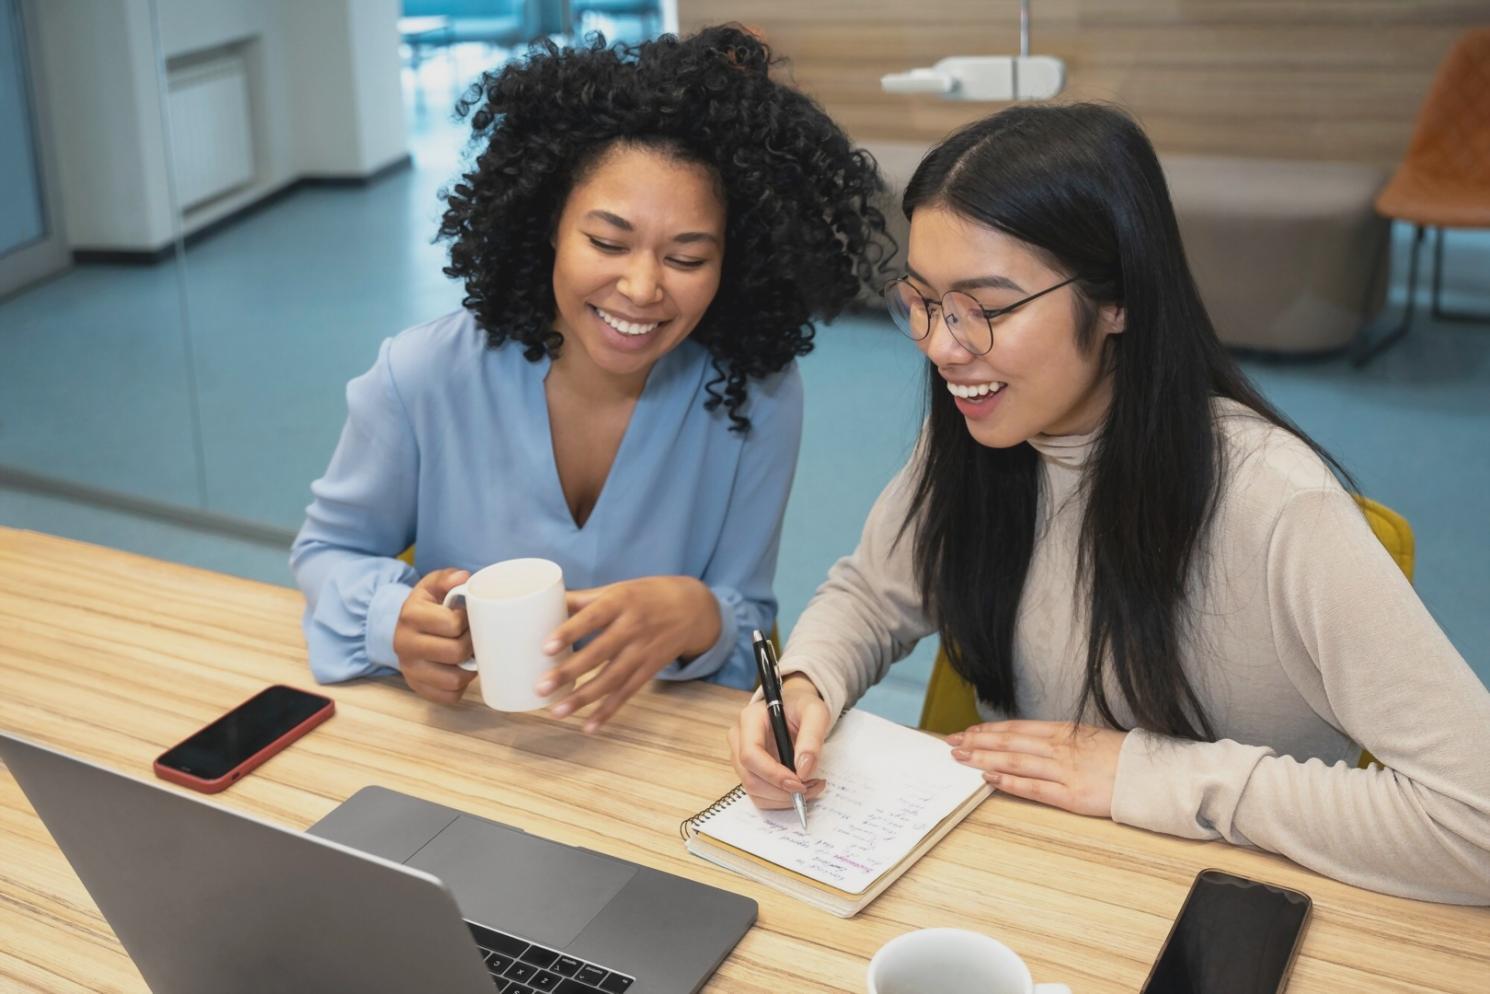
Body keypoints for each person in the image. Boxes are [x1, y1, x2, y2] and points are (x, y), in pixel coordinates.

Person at [728, 103, 1490, 904]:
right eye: (923, 301)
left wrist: (1148, 774)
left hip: (1219, 907)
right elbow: (871, 594)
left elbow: (1476, 819)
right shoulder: (979, 431)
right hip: (1039, 884)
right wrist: (807, 684)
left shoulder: (1279, 506)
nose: (943, 346)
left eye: (987, 308)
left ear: (1117, 297)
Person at [291, 27, 887, 730]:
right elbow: (327, 552)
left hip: (649, 749)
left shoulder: (756, 396)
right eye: (607, 242)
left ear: (734, 262)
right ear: (550, 222)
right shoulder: (422, 375)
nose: (641, 288)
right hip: (470, 741)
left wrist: (697, 614)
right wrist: (393, 620)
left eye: (688, 259)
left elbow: (745, 618)